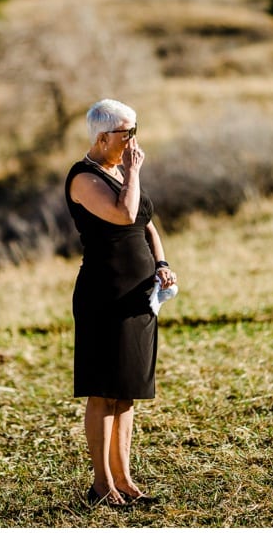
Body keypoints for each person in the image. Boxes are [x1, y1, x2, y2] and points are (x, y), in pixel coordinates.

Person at [65, 98, 177, 507]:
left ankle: (125, 480)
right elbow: (125, 214)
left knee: (127, 389)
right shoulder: (84, 177)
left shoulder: (118, 171)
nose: (134, 141)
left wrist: (161, 263)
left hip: (138, 295)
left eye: (135, 131)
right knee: (103, 390)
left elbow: (148, 223)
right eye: (128, 133)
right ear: (102, 137)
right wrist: (134, 172)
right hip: (104, 295)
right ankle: (101, 484)